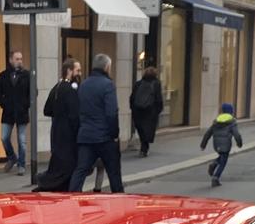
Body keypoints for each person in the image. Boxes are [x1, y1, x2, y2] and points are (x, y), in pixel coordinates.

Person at [68, 53, 123, 193]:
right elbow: (112, 113)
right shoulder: (108, 85)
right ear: (106, 67)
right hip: (105, 137)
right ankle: (120, 199)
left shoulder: (84, 84)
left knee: (80, 170)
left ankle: (72, 197)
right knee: (114, 173)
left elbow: (78, 111)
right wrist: (114, 134)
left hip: (86, 136)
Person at [36, 58, 81, 190]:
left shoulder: (57, 87)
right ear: (69, 71)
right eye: (77, 70)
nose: (79, 73)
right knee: (68, 168)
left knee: (58, 164)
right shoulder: (70, 90)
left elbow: (47, 110)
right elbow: (75, 116)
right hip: (68, 136)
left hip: (56, 132)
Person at [0, 49, 29, 174]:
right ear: (11, 60)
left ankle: (21, 164)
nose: (19, 61)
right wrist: (4, 104)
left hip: (21, 112)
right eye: (17, 59)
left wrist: (25, 105)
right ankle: (11, 157)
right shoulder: (3, 75)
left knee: (22, 140)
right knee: (4, 137)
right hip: (8, 112)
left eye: (21, 59)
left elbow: (32, 93)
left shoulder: (27, 75)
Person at [199, 102, 243, 186]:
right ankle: (216, 177)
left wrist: (203, 145)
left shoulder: (216, 121)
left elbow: (208, 133)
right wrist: (239, 143)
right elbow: (236, 134)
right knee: (223, 162)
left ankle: (214, 163)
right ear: (231, 111)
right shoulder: (232, 121)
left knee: (222, 157)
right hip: (226, 144)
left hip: (216, 144)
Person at [130, 66, 163, 156]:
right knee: (147, 130)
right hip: (150, 111)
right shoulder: (156, 83)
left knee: (141, 130)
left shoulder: (138, 83)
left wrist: (133, 109)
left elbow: (132, 98)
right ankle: (144, 148)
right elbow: (158, 98)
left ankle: (144, 148)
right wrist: (158, 110)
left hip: (138, 111)